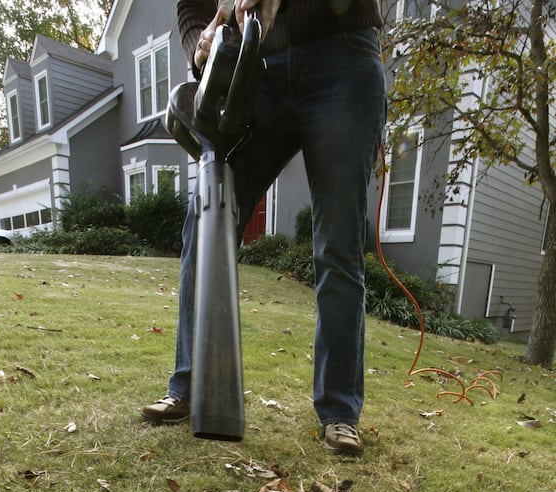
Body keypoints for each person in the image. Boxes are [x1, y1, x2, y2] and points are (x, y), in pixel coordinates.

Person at [142, 0, 386, 456]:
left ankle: (338, 412)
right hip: (258, 69)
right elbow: (192, 7)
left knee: (337, 242)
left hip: (343, 57)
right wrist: (202, 45)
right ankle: (190, 386)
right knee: (210, 214)